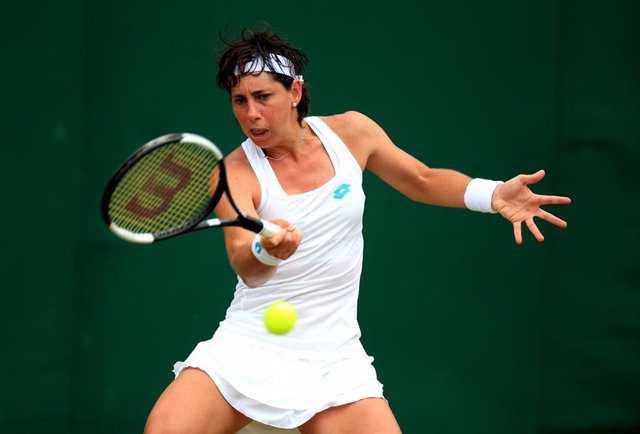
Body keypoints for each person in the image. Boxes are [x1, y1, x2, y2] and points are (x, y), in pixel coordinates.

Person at [143, 29, 571, 434]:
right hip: (248, 345)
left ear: (294, 92)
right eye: (239, 100)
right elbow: (246, 264)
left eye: (262, 96)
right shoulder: (235, 171)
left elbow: (421, 179)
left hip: (333, 357)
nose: (251, 114)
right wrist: (269, 250)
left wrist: (492, 193)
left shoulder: (351, 133)